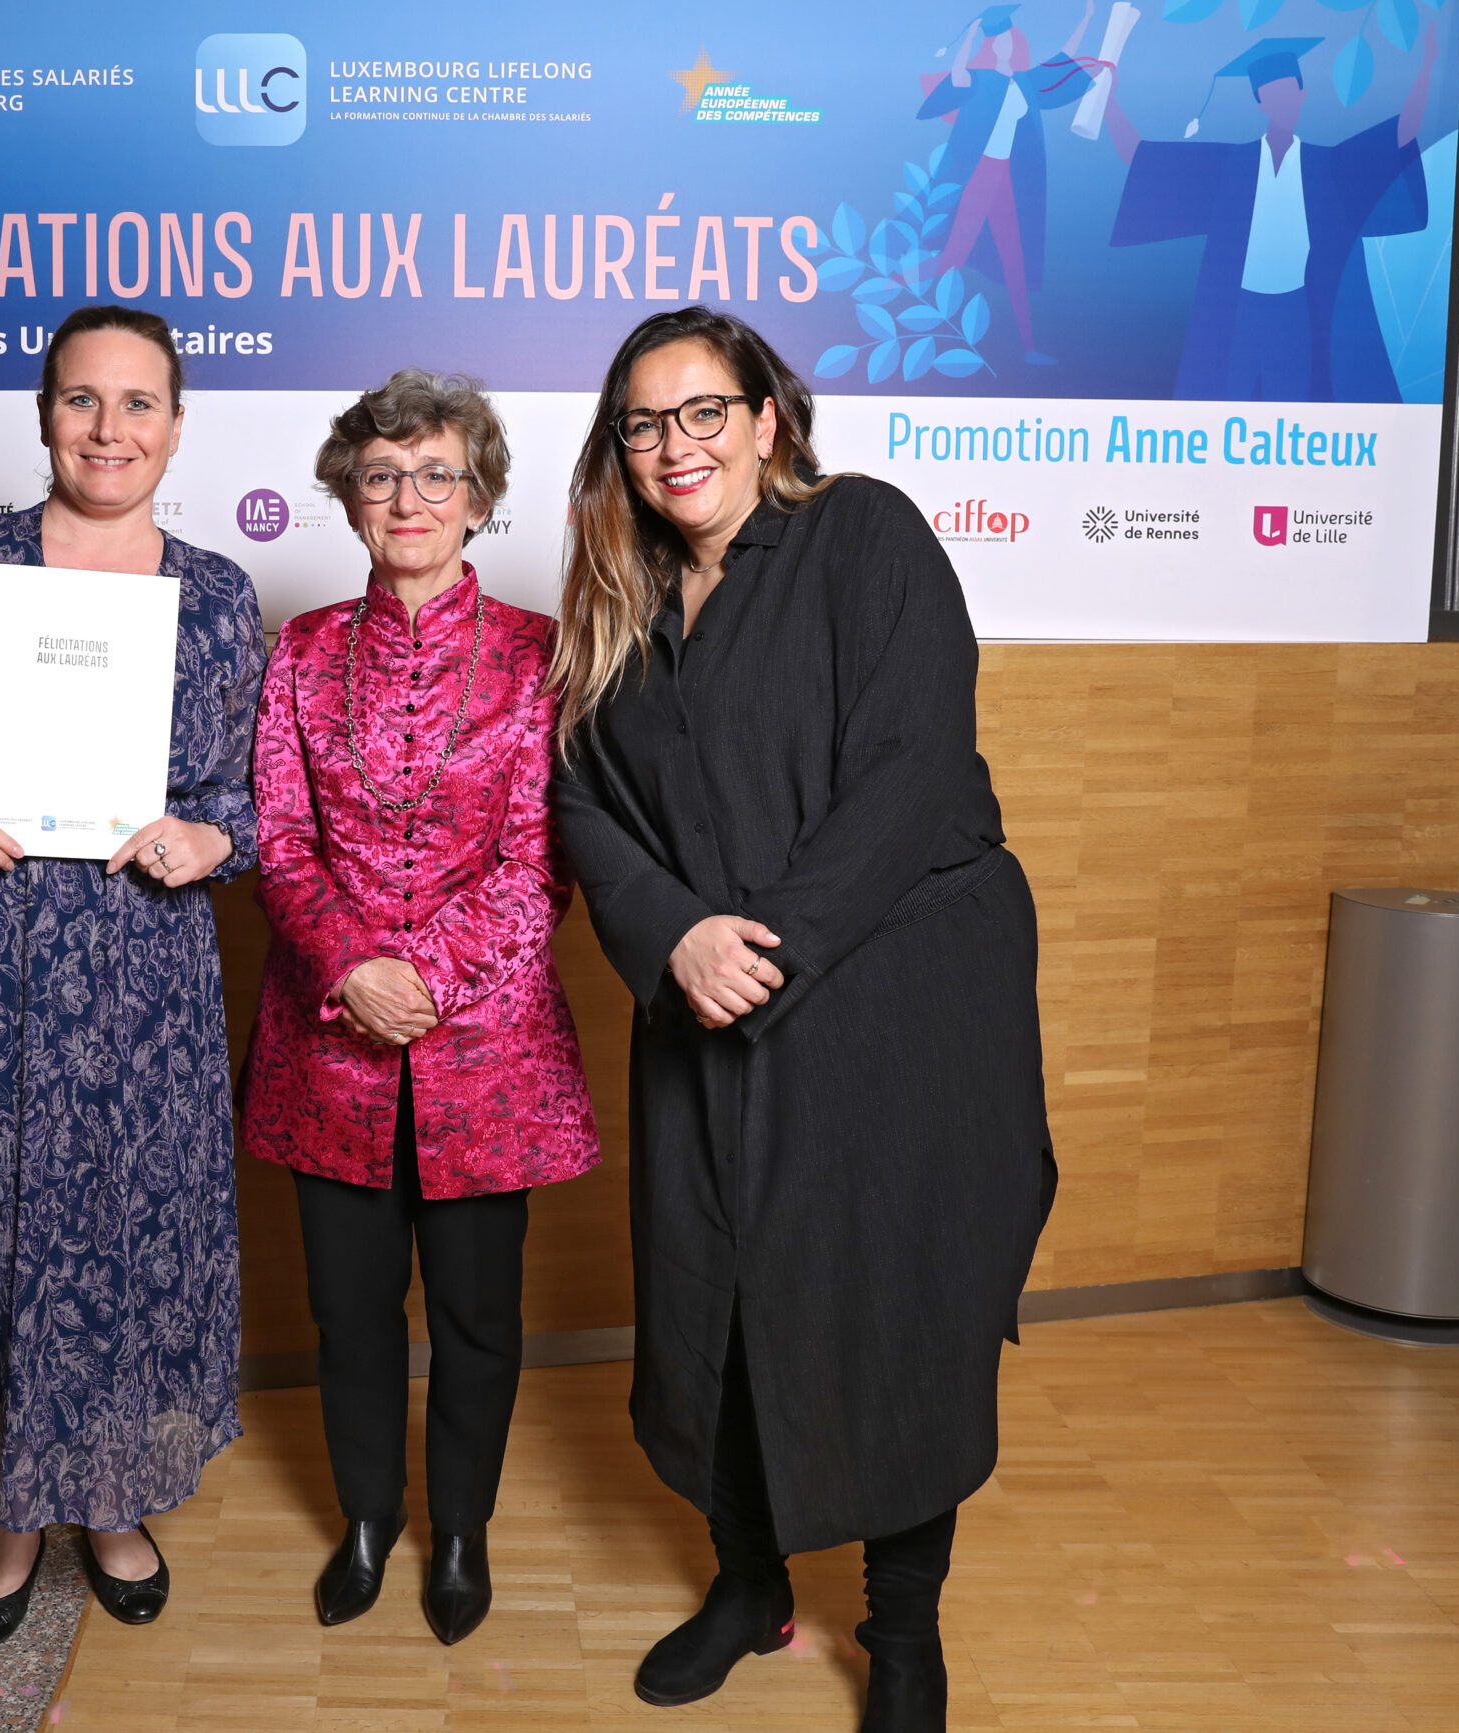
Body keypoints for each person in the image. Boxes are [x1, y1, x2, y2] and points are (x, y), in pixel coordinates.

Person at [549, 307, 1054, 1732]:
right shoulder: (618, 605)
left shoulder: (862, 534)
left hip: (893, 992)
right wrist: (675, 935)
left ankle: (903, 1629)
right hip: (699, 994)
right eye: (644, 423)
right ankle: (747, 1581)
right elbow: (577, 796)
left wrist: (763, 950)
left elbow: (908, 768)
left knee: (894, 1303)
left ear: (766, 417)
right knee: (710, 1295)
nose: (676, 445)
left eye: (704, 411)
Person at [0, 305, 264, 1648]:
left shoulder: (220, 593)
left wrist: (215, 838)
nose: (108, 428)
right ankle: (13, 1512)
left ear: (177, 426)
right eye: (82, 399)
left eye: (138, 403)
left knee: (127, 1232)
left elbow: (250, 792)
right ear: (43, 415)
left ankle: (113, 1497)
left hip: (142, 974)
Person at [240, 371, 599, 1646]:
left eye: (436, 474)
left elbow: (539, 862)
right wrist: (353, 967)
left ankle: (460, 1531)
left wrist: (426, 980)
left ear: (478, 497)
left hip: (486, 1054)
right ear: (348, 497)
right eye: (382, 475)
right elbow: (280, 842)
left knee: (476, 1319)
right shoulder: (298, 652)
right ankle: (366, 1517)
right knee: (348, 1314)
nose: (409, 498)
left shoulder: (542, 654)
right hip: (327, 1044)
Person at [1103, 24, 1438, 401]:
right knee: (1228, 407)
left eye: (1289, 94)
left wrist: (1428, 66)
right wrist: (1109, 100)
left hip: (1299, 315)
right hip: (1239, 315)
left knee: (1296, 407)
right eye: (1272, 96)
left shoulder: (1327, 166)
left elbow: (1402, 133)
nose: (1283, 104)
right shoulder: (1230, 166)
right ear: (1260, 102)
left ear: (1303, 95)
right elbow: (1140, 157)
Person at [916, 0, 1098, 365]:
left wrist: (1088, 17)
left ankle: (1029, 349)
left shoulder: (1026, 82)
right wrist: (969, 36)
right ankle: (897, 287)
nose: (1007, 43)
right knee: (951, 255)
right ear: (991, 44)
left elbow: (1064, 60)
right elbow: (957, 75)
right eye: (1000, 38)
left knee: (1015, 261)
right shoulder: (980, 79)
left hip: (1006, 182)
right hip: (979, 177)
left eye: (1011, 38)